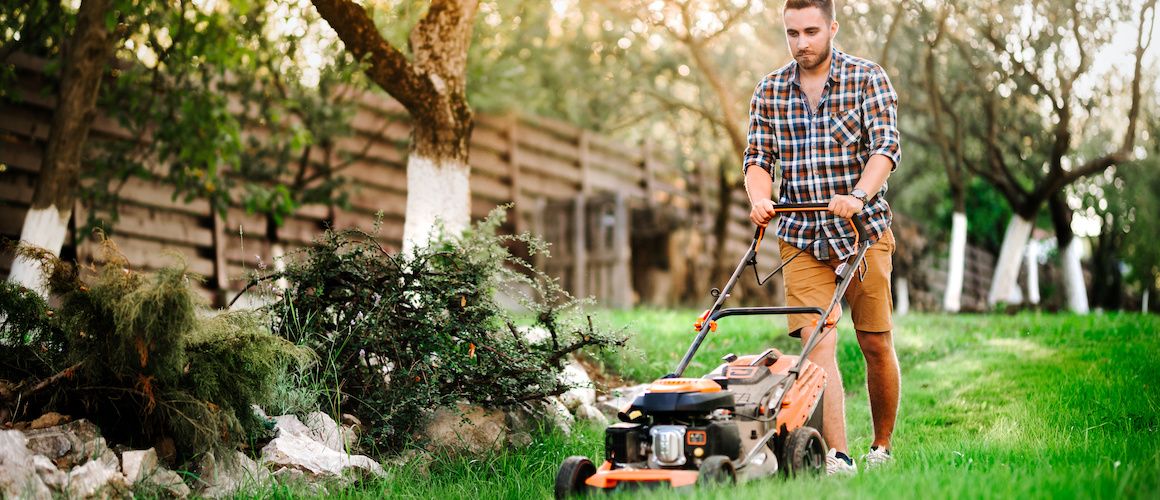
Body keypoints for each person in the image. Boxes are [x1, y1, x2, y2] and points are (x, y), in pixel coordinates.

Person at [743, 0, 901, 475]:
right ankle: (839, 456)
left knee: (874, 344)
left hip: (862, 232)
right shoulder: (769, 91)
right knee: (819, 344)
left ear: (832, 27)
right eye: (792, 33)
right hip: (800, 236)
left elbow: (886, 148)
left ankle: (881, 447)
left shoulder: (867, 77)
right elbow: (757, 159)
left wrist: (857, 194)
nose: (802, 43)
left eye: (811, 31)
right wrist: (759, 198)